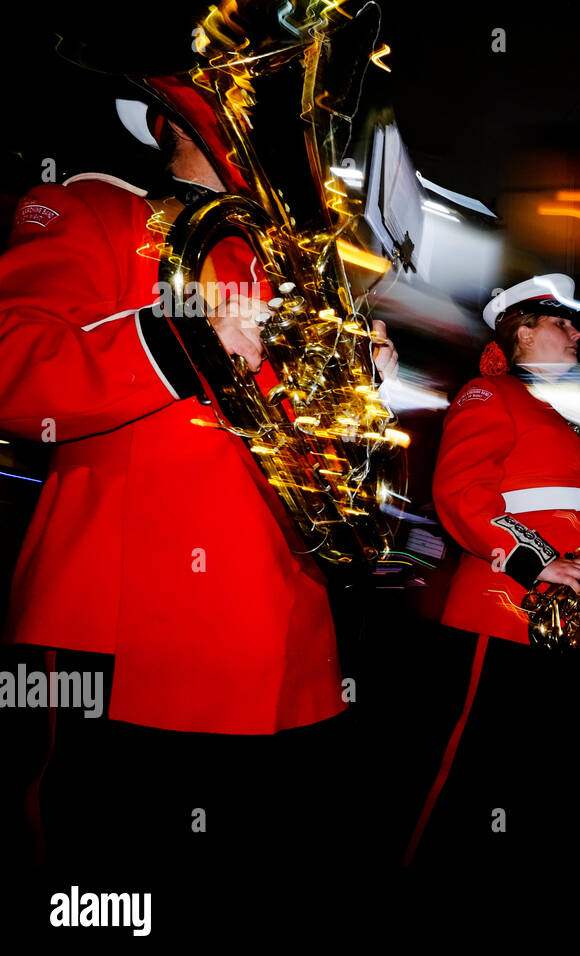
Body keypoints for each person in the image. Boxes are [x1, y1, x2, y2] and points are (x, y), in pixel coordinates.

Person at [0, 87, 397, 866]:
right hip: (131, 634)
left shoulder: (289, 270)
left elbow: (299, 458)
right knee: (106, 881)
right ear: (178, 120)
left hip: (287, 651)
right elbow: (13, 370)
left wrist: (351, 397)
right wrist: (191, 338)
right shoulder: (94, 211)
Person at [405, 274, 580, 856]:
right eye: (561, 322)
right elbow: (461, 493)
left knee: (553, 790)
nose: (578, 332)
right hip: (508, 611)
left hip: (579, 621)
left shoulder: (574, 421)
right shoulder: (488, 393)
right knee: (473, 779)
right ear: (522, 333)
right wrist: (539, 561)